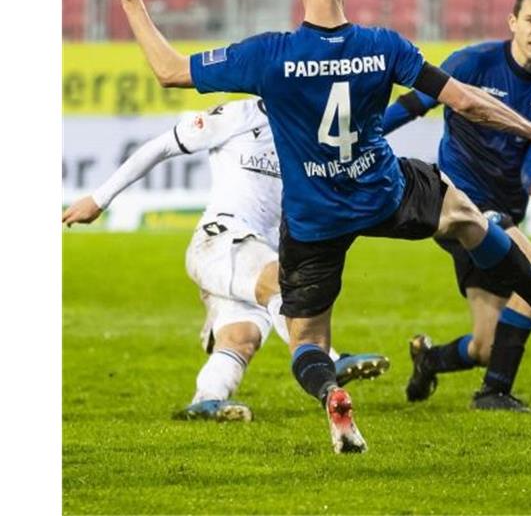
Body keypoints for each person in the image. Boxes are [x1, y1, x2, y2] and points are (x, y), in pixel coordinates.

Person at [97, 0, 531, 455]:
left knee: (307, 338)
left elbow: (170, 70)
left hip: (315, 216)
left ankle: (332, 395)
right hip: (383, 189)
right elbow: (466, 102)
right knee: (465, 214)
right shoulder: (384, 47)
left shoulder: (269, 55)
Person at [62, 98, 390, 422]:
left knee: (241, 337)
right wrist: (98, 199)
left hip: (260, 250)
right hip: (220, 239)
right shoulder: (238, 115)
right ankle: (329, 360)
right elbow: (161, 146)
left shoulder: (314, 131)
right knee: (282, 284)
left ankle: (206, 401)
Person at [382, 0, 531, 413]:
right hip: (459, 203)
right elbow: (414, 104)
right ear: (513, 22)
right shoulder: (472, 63)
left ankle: (430, 359)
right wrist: (362, 137)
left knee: (485, 345)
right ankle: (493, 394)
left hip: (506, 213)